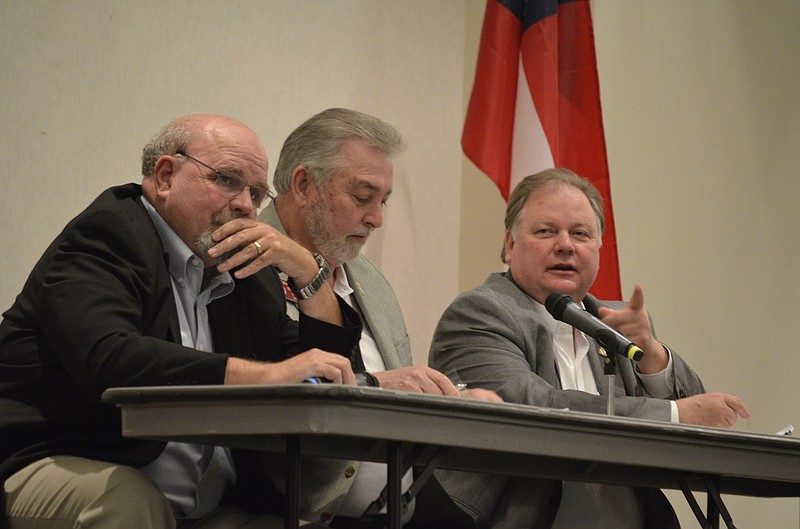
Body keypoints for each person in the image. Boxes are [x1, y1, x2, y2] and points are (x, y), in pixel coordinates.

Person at [0, 114, 364, 529]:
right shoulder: (106, 235)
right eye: (227, 180)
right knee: (129, 501)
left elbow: (308, 367)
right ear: (166, 176)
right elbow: (111, 360)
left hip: (206, 503)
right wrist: (272, 376)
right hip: (55, 460)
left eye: (257, 193)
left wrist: (309, 275)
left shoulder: (244, 269)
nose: (246, 205)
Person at [428, 168, 750, 529]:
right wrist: (673, 415)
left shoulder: (611, 322)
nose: (565, 244)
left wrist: (652, 354)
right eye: (545, 231)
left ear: (598, 248)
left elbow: (700, 429)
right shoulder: (479, 313)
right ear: (510, 243)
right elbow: (529, 409)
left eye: (580, 233)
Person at [257, 108, 500, 528]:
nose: (377, 219)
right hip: (296, 512)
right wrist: (375, 386)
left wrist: (449, 401)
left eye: (383, 201)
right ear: (302, 185)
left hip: (404, 508)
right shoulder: (246, 266)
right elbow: (258, 400)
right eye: (362, 196)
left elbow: (400, 392)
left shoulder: (370, 280)